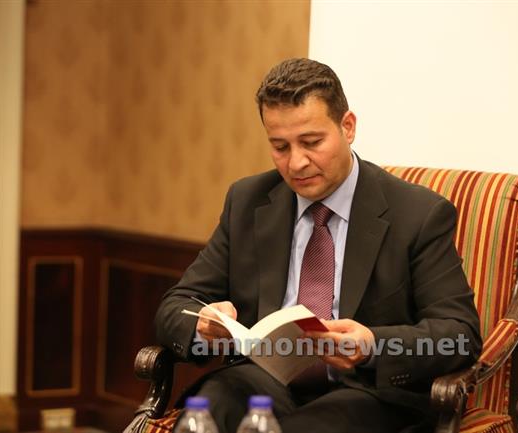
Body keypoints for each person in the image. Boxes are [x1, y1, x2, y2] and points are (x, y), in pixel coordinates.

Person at [155, 58, 482, 433]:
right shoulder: (248, 201)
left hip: (368, 392)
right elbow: (175, 307)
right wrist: (204, 325)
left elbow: (459, 335)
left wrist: (372, 344)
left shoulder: (417, 214)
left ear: (348, 127)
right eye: (280, 147)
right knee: (212, 407)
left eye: (311, 143)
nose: (296, 163)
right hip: (267, 384)